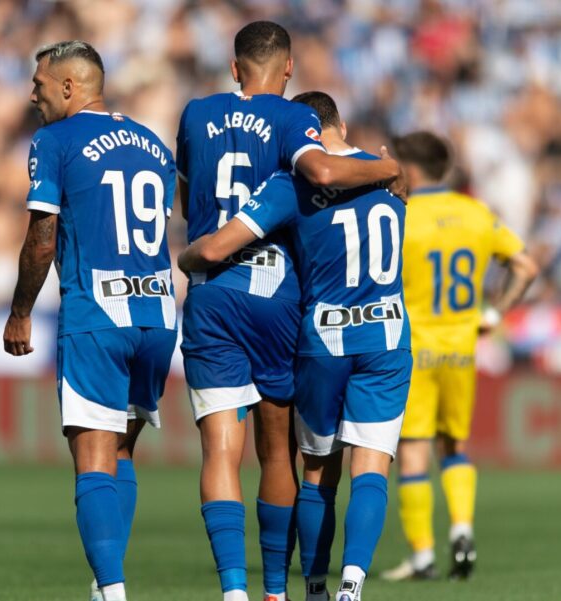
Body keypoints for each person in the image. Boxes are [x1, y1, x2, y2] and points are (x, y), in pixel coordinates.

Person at [176, 22, 405, 601]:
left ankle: (248, 589)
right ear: (288, 68)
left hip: (234, 302)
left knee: (236, 452)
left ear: (234, 68)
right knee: (296, 452)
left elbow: (196, 207)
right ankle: (298, 588)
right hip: (312, 310)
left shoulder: (202, 118)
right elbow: (329, 173)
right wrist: (388, 168)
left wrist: (192, 253)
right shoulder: (343, 164)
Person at [2, 41, 178, 601]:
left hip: (96, 313)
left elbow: (41, 236)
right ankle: (106, 586)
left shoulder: (54, 140)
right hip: (156, 312)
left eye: (40, 84)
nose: (33, 94)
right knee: (121, 452)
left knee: (93, 459)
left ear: (70, 87)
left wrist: (22, 310)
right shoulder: (152, 142)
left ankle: (114, 590)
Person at [380, 131, 538, 582]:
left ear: (408, 169)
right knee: (454, 446)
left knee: (412, 451)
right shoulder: (476, 213)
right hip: (462, 348)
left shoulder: (401, 213)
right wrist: (495, 313)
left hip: (413, 347)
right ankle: (463, 530)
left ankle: (424, 556)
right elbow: (526, 266)